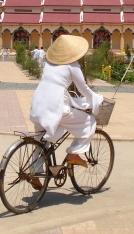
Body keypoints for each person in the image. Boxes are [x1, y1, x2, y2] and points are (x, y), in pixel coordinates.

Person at [29, 35, 102, 190]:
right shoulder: (72, 65)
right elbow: (82, 88)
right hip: (56, 106)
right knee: (89, 122)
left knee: (42, 140)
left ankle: (34, 172)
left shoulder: (49, 62)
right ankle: (74, 153)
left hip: (39, 103)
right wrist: (95, 98)